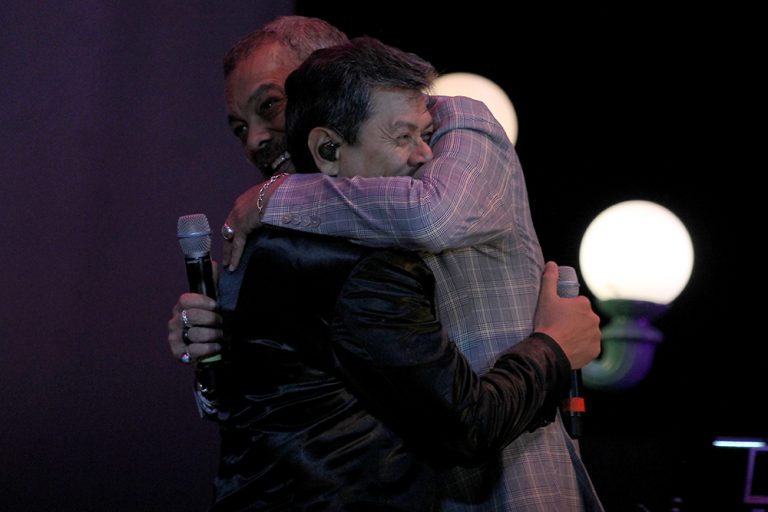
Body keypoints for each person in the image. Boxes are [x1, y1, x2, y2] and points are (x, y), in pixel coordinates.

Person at [168, 15, 604, 511]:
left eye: (270, 105)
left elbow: (433, 218)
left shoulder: (454, 120)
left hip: (511, 474)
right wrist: (214, 341)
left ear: (329, 70)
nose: (254, 140)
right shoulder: (294, 237)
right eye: (239, 128)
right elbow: (251, 407)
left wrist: (271, 196)